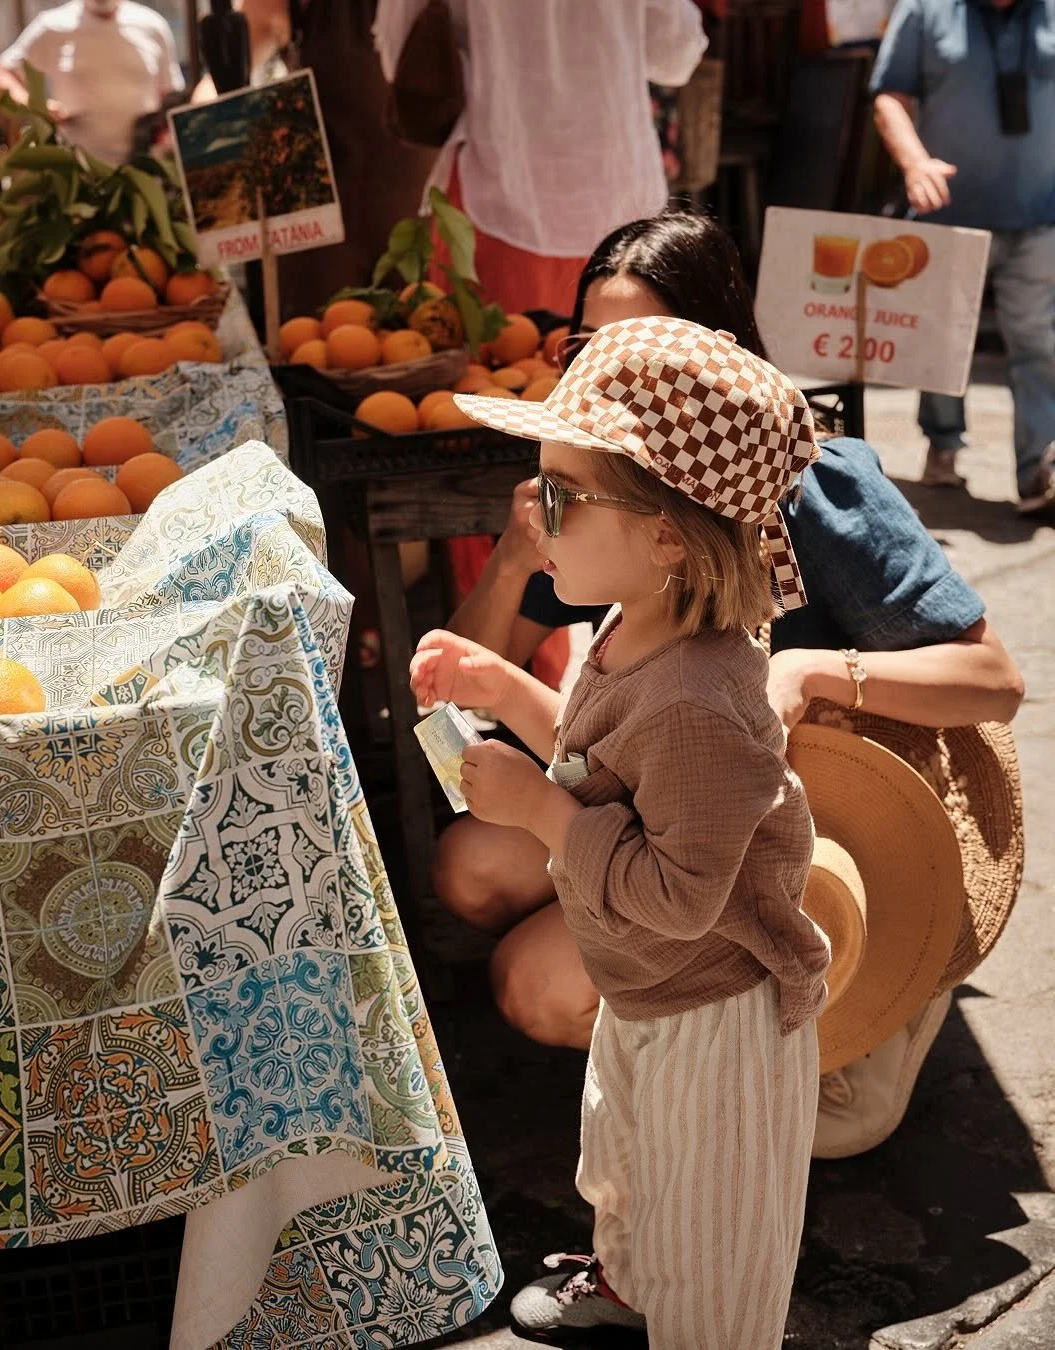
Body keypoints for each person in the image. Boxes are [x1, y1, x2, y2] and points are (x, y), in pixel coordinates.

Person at [438, 209, 1024, 1155]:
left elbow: (995, 679)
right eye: (588, 342)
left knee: (835, 1120)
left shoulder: (814, 487)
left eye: (639, 342)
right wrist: (515, 558)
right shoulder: (596, 488)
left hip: (822, 823)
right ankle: (695, 1050)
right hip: (666, 808)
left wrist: (819, 669)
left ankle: (807, 1031)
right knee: (474, 872)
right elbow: (481, 690)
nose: (606, 372)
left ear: (716, 353)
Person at [411, 317, 832, 1344]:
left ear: (665, 534)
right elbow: (607, 767)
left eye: (560, 496)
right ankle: (634, 1283)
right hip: (650, 996)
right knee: (635, 1183)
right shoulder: (635, 626)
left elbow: (680, 896)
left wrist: (542, 810)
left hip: (713, 1016)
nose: (536, 516)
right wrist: (502, 685)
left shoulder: (696, 694)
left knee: (710, 1248)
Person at [372, 0, 707, 314]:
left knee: (495, 369)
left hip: (499, 185)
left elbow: (397, 50)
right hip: (617, 195)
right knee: (621, 372)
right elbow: (676, 54)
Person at [870, 0, 1055, 511]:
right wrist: (914, 163)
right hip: (948, 216)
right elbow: (889, 97)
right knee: (942, 344)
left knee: (1038, 340)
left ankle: (1040, 469)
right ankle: (943, 443)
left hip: (1041, 212)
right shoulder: (925, 10)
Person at [0, 0, 184, 166]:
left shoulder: (153, 25)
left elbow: (170, 96)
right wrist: (39, 106)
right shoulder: (52, 25)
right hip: (77, 172)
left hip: (143, 172)